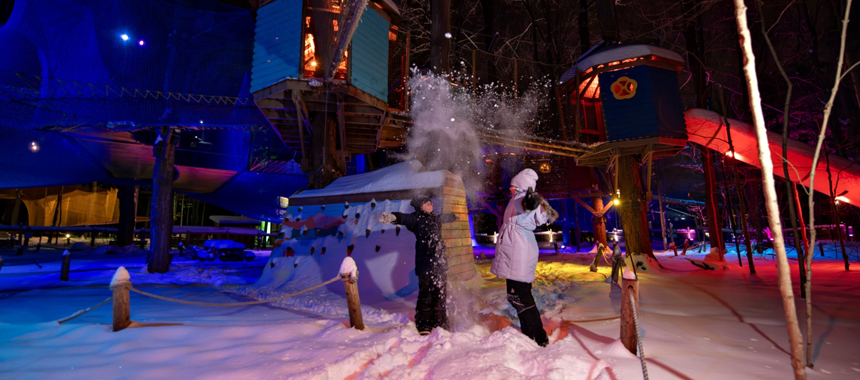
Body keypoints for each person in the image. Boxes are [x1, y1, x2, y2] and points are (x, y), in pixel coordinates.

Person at [490, 168, 557, 347]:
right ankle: (530, 334)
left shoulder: (521, 199)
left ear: (520, 186)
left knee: (520, 296)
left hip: (518, 252)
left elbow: (529, 204)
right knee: (517, 296)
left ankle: (539, 337)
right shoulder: (516, 199)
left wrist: (533, 200)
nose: (510, 189)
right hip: (516, 251)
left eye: (513, 186)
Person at [379, 195, 456, 335]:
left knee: (440, 295)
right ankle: (424, 325)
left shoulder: (435, 218)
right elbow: (404, 218)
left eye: (431, 202)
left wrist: (452, 216)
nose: (432, 204)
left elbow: (443, 217)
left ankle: (440, 323)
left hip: (440, 264)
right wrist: (393, 217)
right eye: (428, 203)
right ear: (421, 206)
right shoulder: (417, 219)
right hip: (426, 264)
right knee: (426, 296)